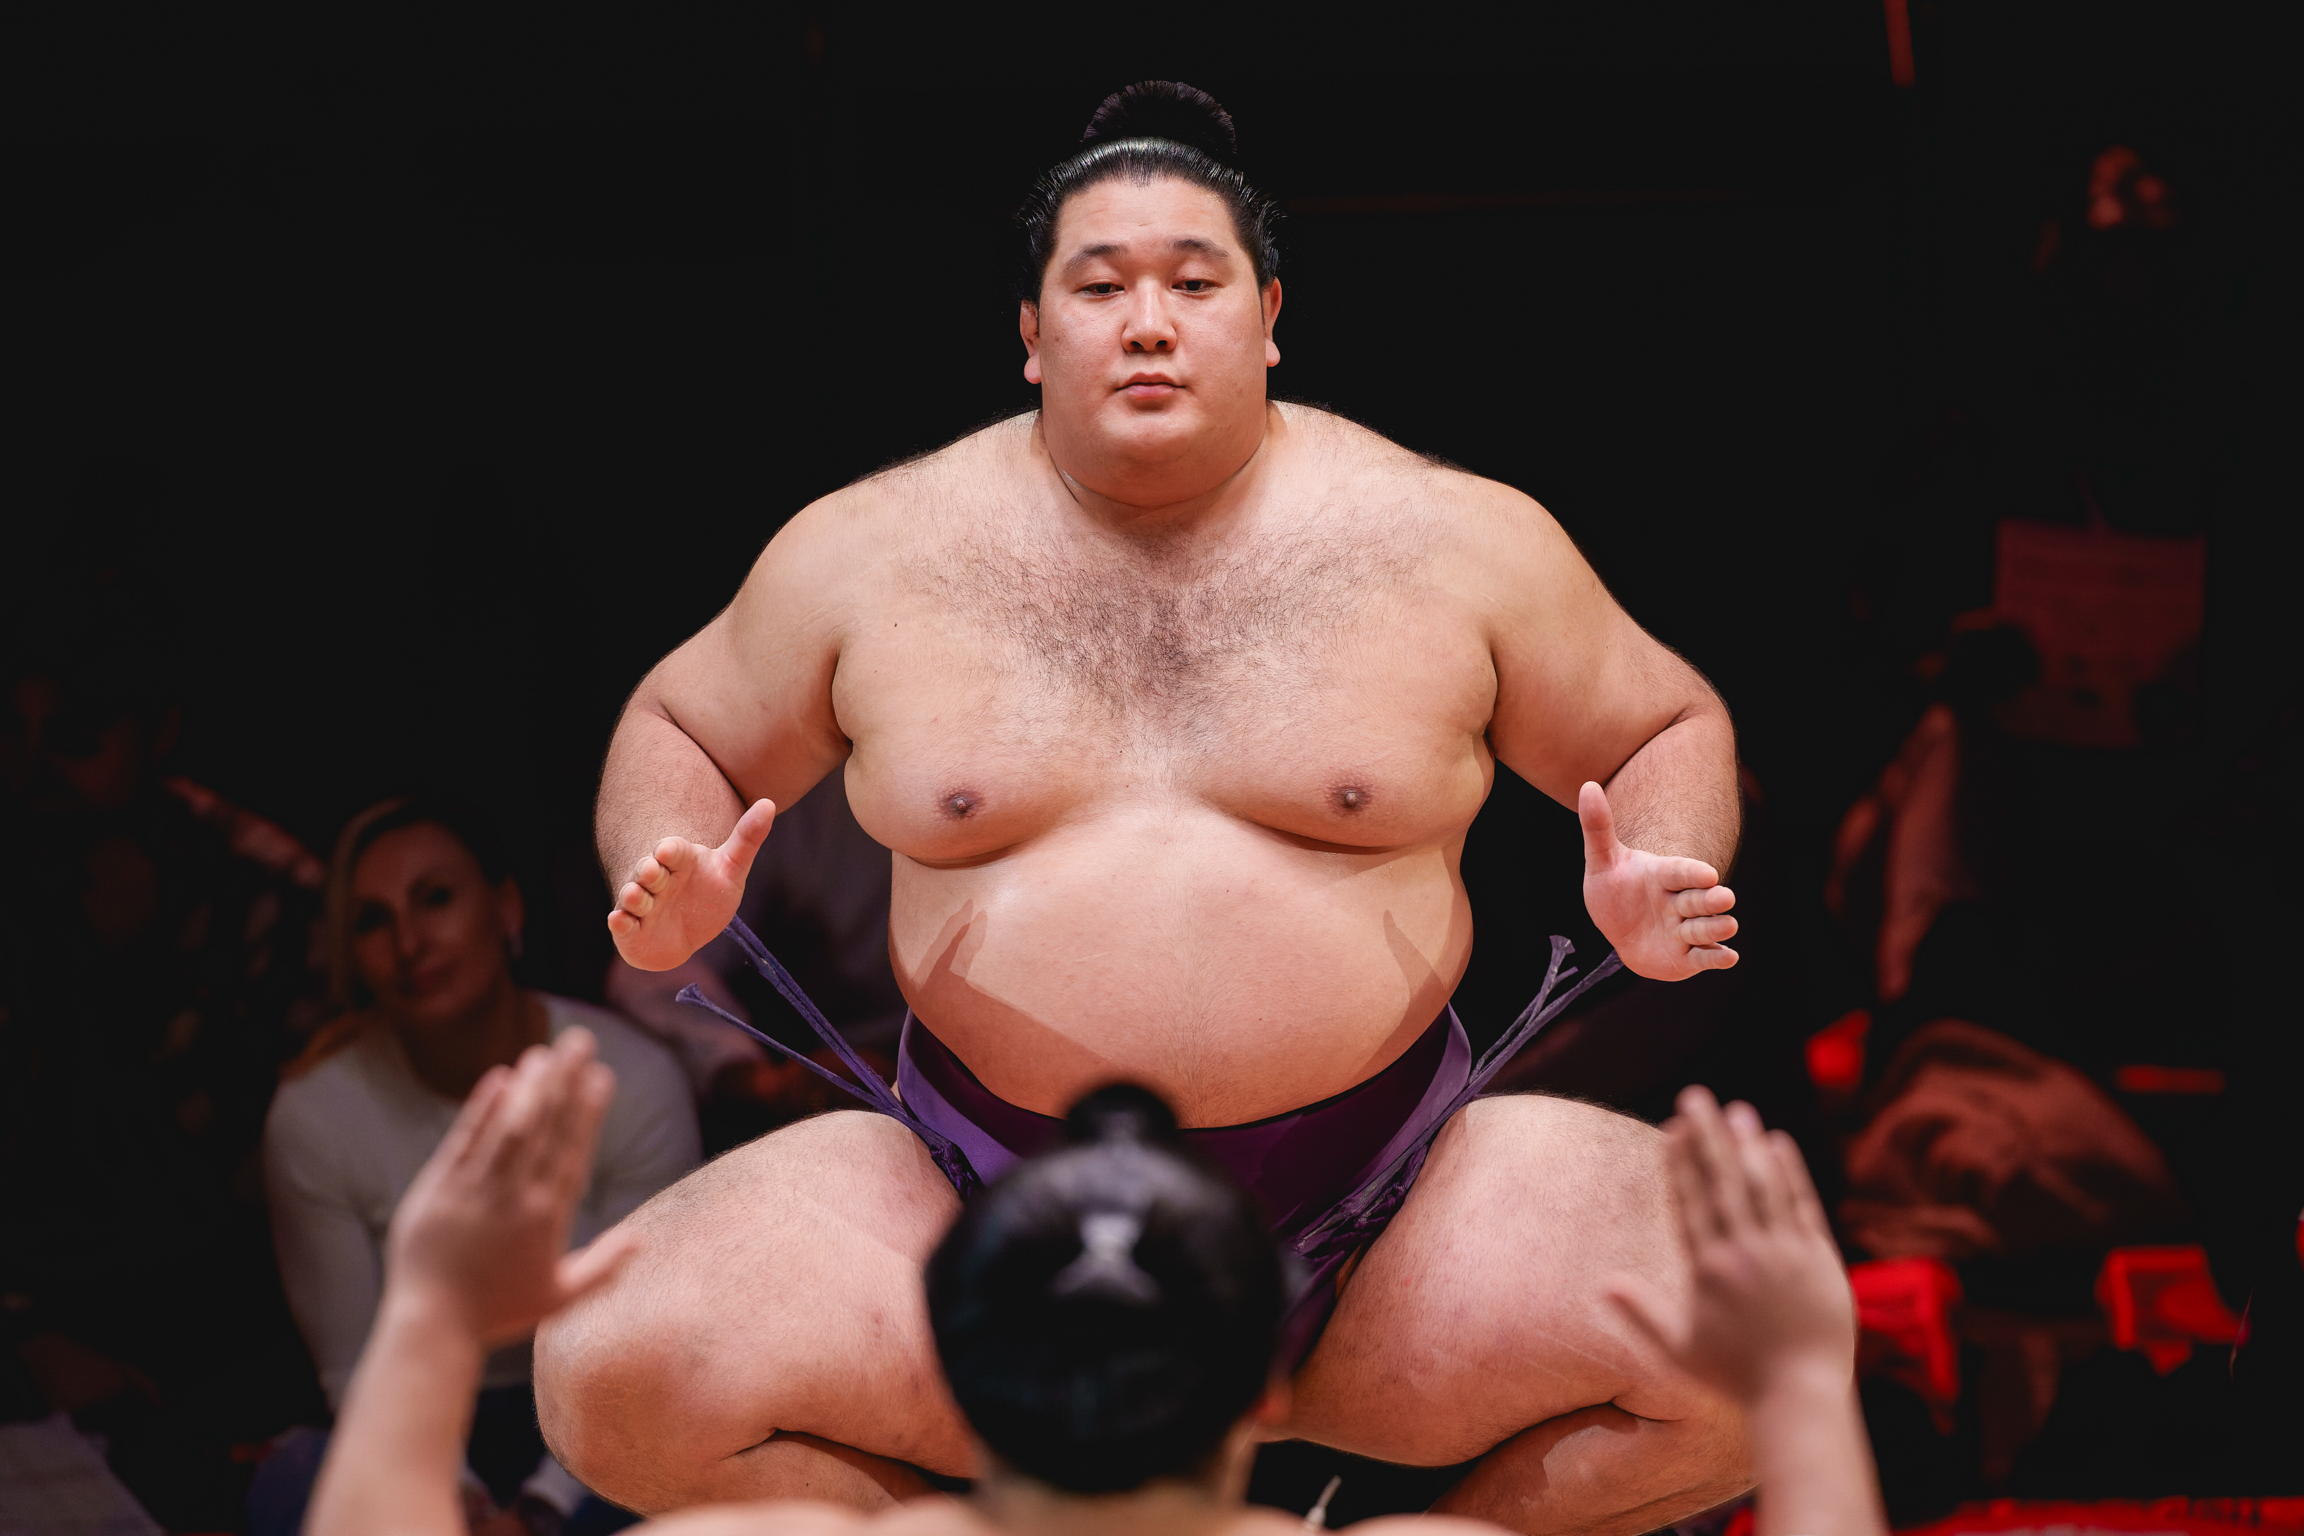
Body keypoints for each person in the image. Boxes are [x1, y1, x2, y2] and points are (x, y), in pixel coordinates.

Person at [543, 82, 1748, 1533]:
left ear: (1270, 312)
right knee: (609, 1375)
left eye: (1196, 279)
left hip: (1387, 1200)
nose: (1151, 320)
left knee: (1759, 1341)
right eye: (1099, 285)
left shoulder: (1453, 537)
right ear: (1034, 332)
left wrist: (1666, 872)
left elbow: (1666, 714)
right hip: (973, 1195)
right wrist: (665, 860)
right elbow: (681, 718)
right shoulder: (869, 554)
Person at [261, 796, 699, 1535]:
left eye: (435, 899)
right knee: (293, 1478)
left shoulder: (629, 1078)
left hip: (601, 1415)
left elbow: (645, 1351)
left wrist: (539, 1513)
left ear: (504, 908)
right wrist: (455, 1502)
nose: (409, 941)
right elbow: (353, 1363)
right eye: (372, 919)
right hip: (416, 1405)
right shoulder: (316, 1116)